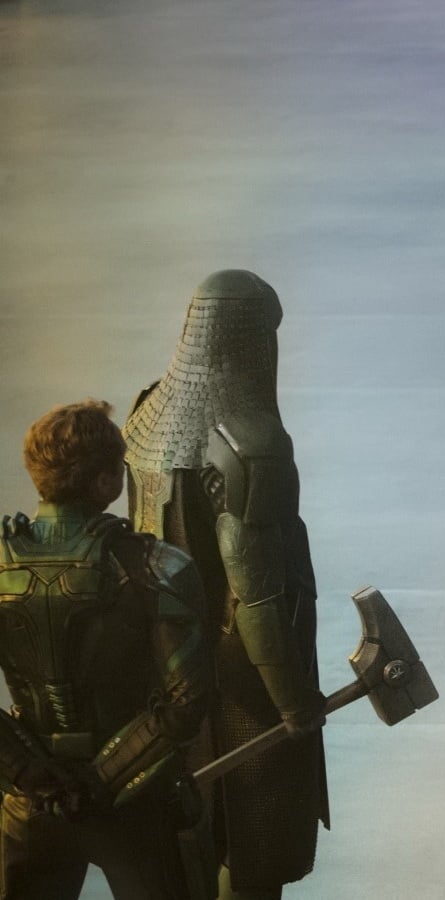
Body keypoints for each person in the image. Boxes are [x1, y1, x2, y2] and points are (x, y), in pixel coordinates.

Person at [123, 270, 326, 899]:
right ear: (255, 341)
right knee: (255, 847)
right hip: (245, 683)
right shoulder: (251, 444)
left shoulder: (145, 416)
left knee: (184, 842)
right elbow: (256, 597)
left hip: (161, 671)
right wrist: (293, 701)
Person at [0, 399, 213, 898]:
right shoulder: (158, 566)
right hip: (134, 805)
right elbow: (185, 704)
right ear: (106, 482)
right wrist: (97, 781)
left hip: (31, 807)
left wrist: (33, 775)